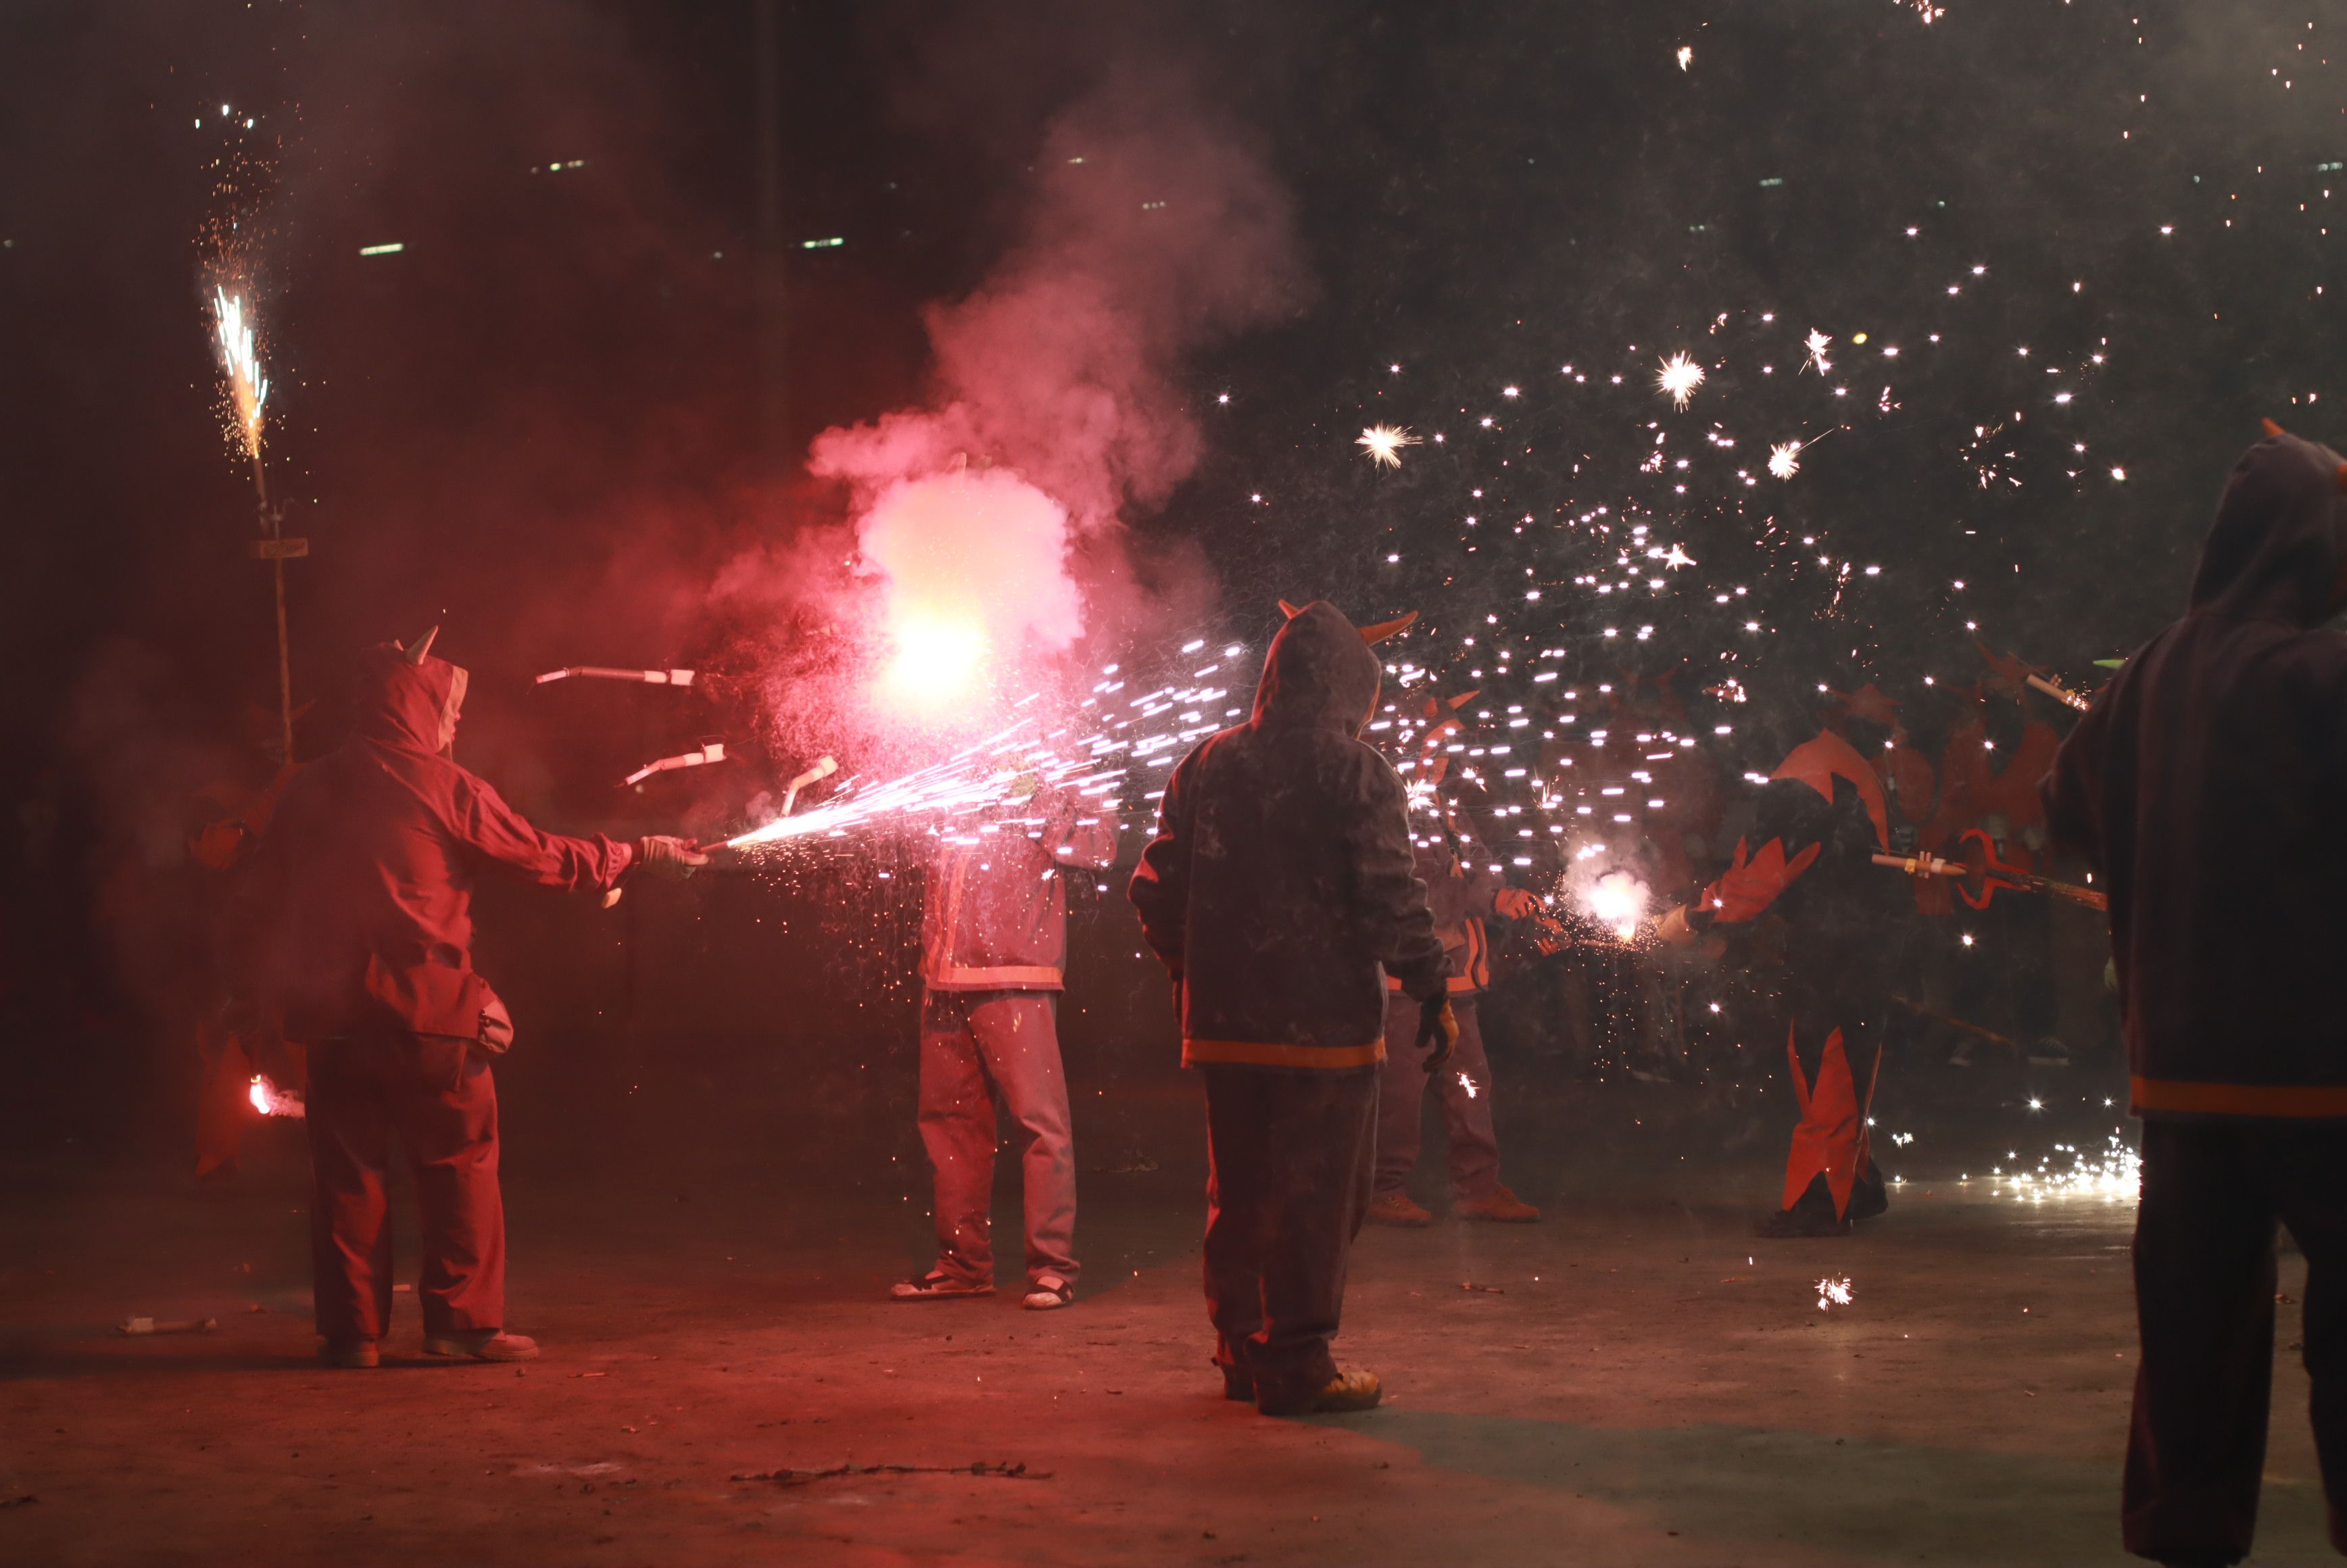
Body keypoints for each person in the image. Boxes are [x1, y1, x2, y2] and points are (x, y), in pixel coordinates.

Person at [2043, 426, 2347, 1568]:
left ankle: (2186, 1534)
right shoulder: (2318, 676)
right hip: (2324, 1074)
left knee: (2191, 1328)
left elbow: (2062, 807)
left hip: (2178, 1077)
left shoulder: (2146, 675)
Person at [238, 629, 704, 1368]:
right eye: (448, 708)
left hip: (331, 1022)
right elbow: (538, 854)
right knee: (460, 1163)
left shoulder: (307, 786)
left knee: (347, 1179)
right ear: (416, 706)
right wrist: (633, 853)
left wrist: (274, 1004)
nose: (455, 725)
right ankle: (460, 1324)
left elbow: (263, 896)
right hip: (431, 1018)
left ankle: (352, 1336)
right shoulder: (443, 785)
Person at [1130, 599, 1453, 1417]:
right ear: (1352, 686)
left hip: (1227, 1032)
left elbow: (1154, 887)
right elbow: (1387, 892)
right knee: (1315, 1197)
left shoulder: (1208, 761)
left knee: (1238, 1192)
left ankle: (1241, 1350)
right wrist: (1429, 981)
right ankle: (1298, 1365)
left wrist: (1190, 974)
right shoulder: (1357, 770)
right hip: (1326, 1038)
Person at [1655, 690, 1900, 1238]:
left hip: (1842, 940)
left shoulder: (1802, 779)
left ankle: (1821, 1198)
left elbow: (1759, 876)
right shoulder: (1829, 757)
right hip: (1859, 932)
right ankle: (1856, 1180)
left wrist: (1695, 917)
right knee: (1842, 1059)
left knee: (1826, 1060)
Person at [892, 777, 1117, 1310]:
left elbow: (1101, 849)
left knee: (1040, 1124)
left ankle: (1053, 1269)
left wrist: (1035, 796)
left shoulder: (1060, 766)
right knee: (951, 1126)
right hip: (943, 976)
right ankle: (963, 1265)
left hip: (1017, 975)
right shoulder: (949, 757)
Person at [1368, 799, 1541, 1226]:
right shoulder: (1390, 809)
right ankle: (1382, 1188)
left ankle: (1477, 1187)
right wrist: (1492, 895)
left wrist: (1503, 893)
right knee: (1401, 1090)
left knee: (1470, 1084)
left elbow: (1482, 864)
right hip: (1408, 978)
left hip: (1456, 973)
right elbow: (1419, 892)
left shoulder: (1449, 808)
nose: (1450, 755)